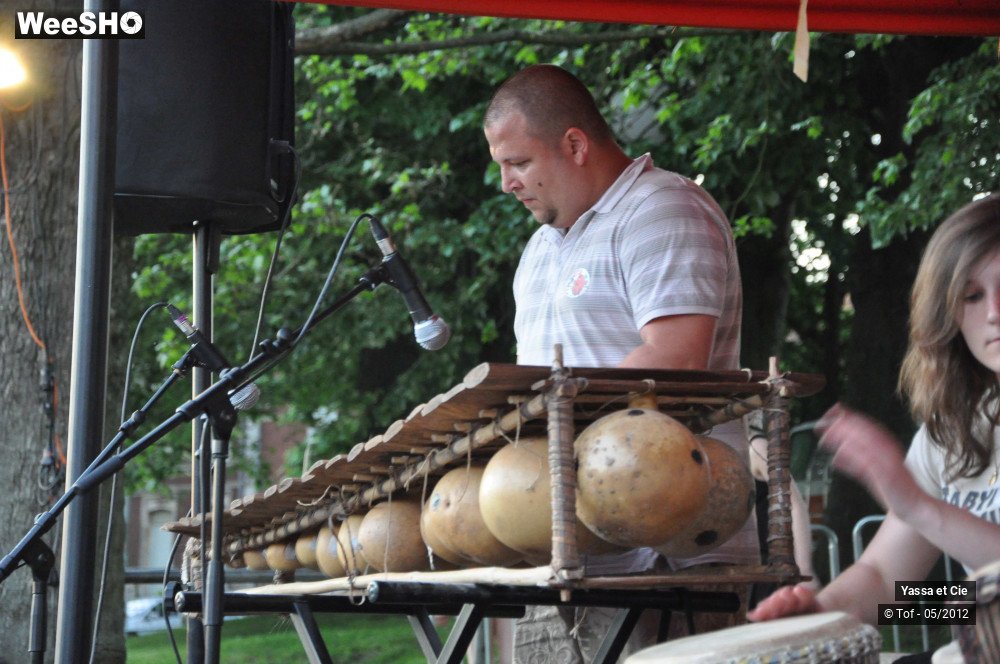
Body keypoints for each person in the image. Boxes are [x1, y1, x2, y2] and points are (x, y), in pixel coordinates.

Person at [483, 64, 757, 663]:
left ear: (575, 144)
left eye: (519, 163)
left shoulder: (663, 209)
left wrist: (536, 426)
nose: (506, 183)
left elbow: (675, 360)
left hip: (666, 551)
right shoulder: (538, 251)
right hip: (564, 550)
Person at [748, 193, 1000, 628]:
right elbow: (890, 586)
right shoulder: (953, 431)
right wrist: (822, 612)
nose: (994, 313)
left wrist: (921, 508)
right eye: (972, 296)